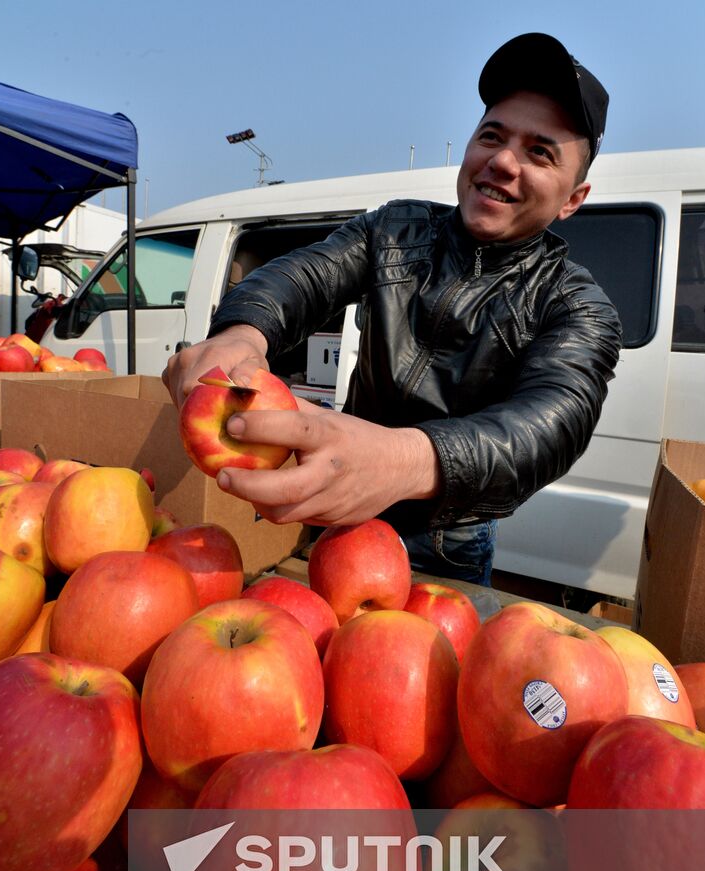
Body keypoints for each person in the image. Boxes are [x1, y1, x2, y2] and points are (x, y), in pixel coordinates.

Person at [163, 32, 622, 588]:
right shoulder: (396, 229)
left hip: (448, 543)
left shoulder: (576, 304)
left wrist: (404, 460)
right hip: (340, 519)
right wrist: (243, 332)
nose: (502, 160)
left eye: (539, 152)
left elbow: (551, 424)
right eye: (492, 136)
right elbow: (306, 274)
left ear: (574, 198)